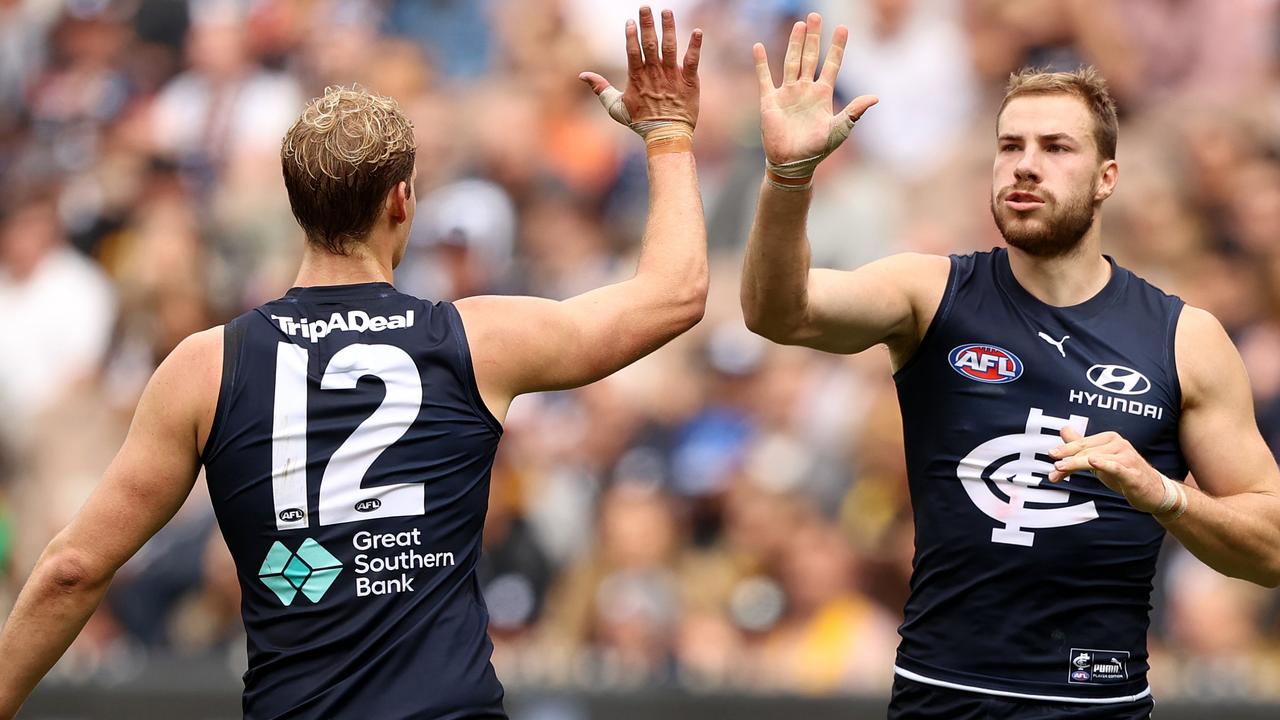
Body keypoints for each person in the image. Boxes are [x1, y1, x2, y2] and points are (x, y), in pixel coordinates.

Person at [0, 7, 705, 719]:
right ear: (402, 201)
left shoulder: (207, 366)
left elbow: (72, 569)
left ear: (296, 203)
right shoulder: (476, 340)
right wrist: (668, 134)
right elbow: (674, 296)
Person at [741, 12, 1280, 719]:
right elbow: (777, 313)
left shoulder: (1185, 339)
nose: (1025, 164)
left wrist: (1164, 495)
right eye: (1009, 145)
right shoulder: (931, 292)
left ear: (1107, 176)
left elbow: (1270, 547)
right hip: (944, 701)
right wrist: (788, 175)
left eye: (1057, 147)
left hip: (1100, 706)